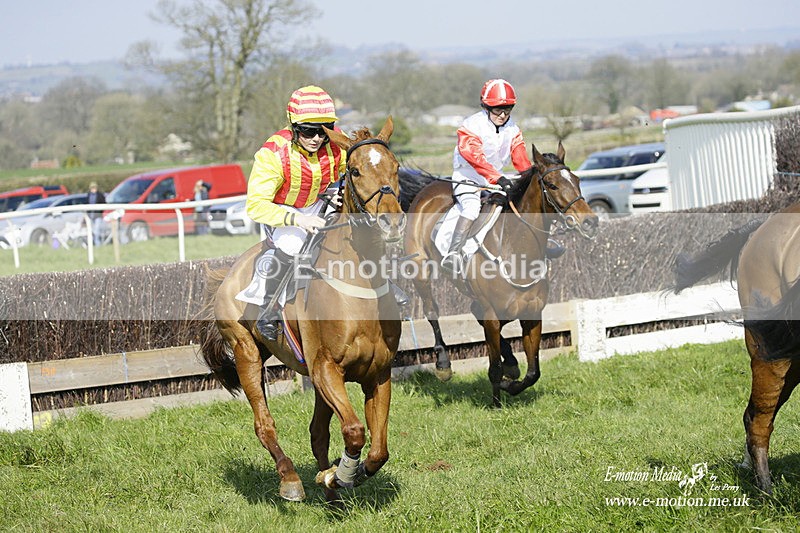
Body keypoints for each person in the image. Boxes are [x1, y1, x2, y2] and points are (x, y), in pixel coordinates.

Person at [245, 85, 346, 341]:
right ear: (293, 127)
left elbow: (351, 172)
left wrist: (338, 190)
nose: (317, 139)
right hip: (281, 211)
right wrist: (298, 219)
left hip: (319, 203)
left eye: (324, 131)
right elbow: (255, 205)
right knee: (294, 241)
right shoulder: (272, 154)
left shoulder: (335, 145)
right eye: (308, 131)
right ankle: (268, 310)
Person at [441, 79, 532, 273]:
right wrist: (497, 178)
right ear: (486, 107)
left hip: (496, 178)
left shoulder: (513, 129)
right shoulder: (471, 126)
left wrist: (530, 177)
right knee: (472, 208)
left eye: (507, 109)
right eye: (497, 109)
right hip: (467, 176)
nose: (503, 114)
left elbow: (520, 158)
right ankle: (453, 253)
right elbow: (475, 158)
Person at [87, 181, 106, 246]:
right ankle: (92, 244)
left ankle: (98, 244)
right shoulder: (89, 195)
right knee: (92, 230)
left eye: (94, 187)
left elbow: (104, 204)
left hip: (98, 215)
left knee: (97, 230)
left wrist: (100, 211)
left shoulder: (100, 195)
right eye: (92, 188)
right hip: (91, 216)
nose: (93, 189)